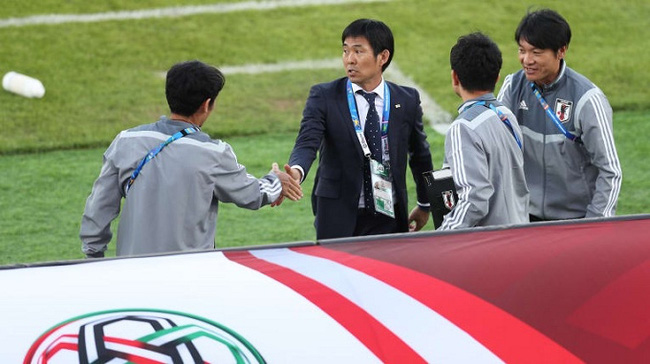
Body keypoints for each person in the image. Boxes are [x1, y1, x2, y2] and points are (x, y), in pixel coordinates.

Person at [80, 60, 302, 258]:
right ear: (207, 104)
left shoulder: (126, 141)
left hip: (132, 271)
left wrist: (94, 253)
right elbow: (253, 194)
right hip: (191, 275)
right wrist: (277, 180)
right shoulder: (213, 153)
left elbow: (98, 206)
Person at [282, 18, 434, 239]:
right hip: (337, 216)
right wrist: (296, 171)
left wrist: (425, 203)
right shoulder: (324, 96)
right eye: (345, 51)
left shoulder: (407, 99)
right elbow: (307, 142)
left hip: (390, 216)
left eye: (358, 51)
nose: (349, 60)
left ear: (383, 57)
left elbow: (420, 155)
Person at [497, 9, 622, 221]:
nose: (527, 60)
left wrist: (594, 222)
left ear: (561, 50)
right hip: (525, 218)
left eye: (536, 52)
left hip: (575, 221)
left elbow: (610, 171)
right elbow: (494, 146)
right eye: (521, 50)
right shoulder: (512, 87)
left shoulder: (588, 100)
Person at [439, 32, 529, 230]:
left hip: (489, 247)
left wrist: (443, 236)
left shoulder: (463, 127)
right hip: (521, 234)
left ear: (455, 77)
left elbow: (474, 197)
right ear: (497, 77)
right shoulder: (507, 115)